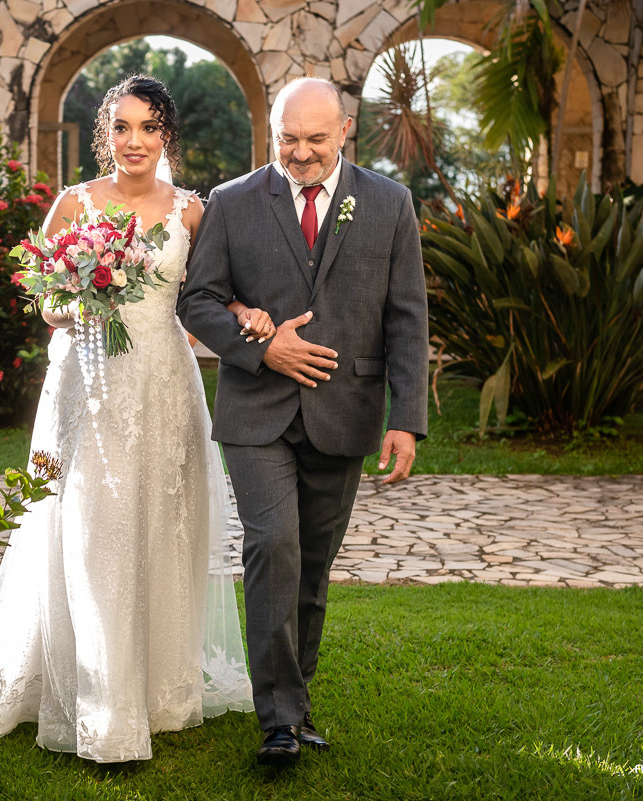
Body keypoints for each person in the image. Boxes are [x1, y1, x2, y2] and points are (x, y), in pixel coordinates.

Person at [0, 75, 261, 763]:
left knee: (161, 525)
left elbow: (216, 295)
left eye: (148, 127)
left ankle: (158, 688)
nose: (134, 141)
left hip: (163, 386)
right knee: (89, 528)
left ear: (166, 137)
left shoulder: (191, 213)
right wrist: (75, 303)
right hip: (87, 383)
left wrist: (248, 314)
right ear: (105, 136)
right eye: (121, 127)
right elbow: (43, 302)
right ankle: (97, 700)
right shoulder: (74, 204)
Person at [177, 77, 429, 767]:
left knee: (312, 568)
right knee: (273, 547)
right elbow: (196, 301)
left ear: (347, 131)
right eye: (288, 139)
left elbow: (407, 317)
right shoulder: (232, 202)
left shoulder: (390, 204)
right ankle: (279, 720)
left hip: (344, 412)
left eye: (316, 139)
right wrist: (263, 345)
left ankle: (297, 697)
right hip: (255, 413)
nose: (301, 153)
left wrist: (405, 417)